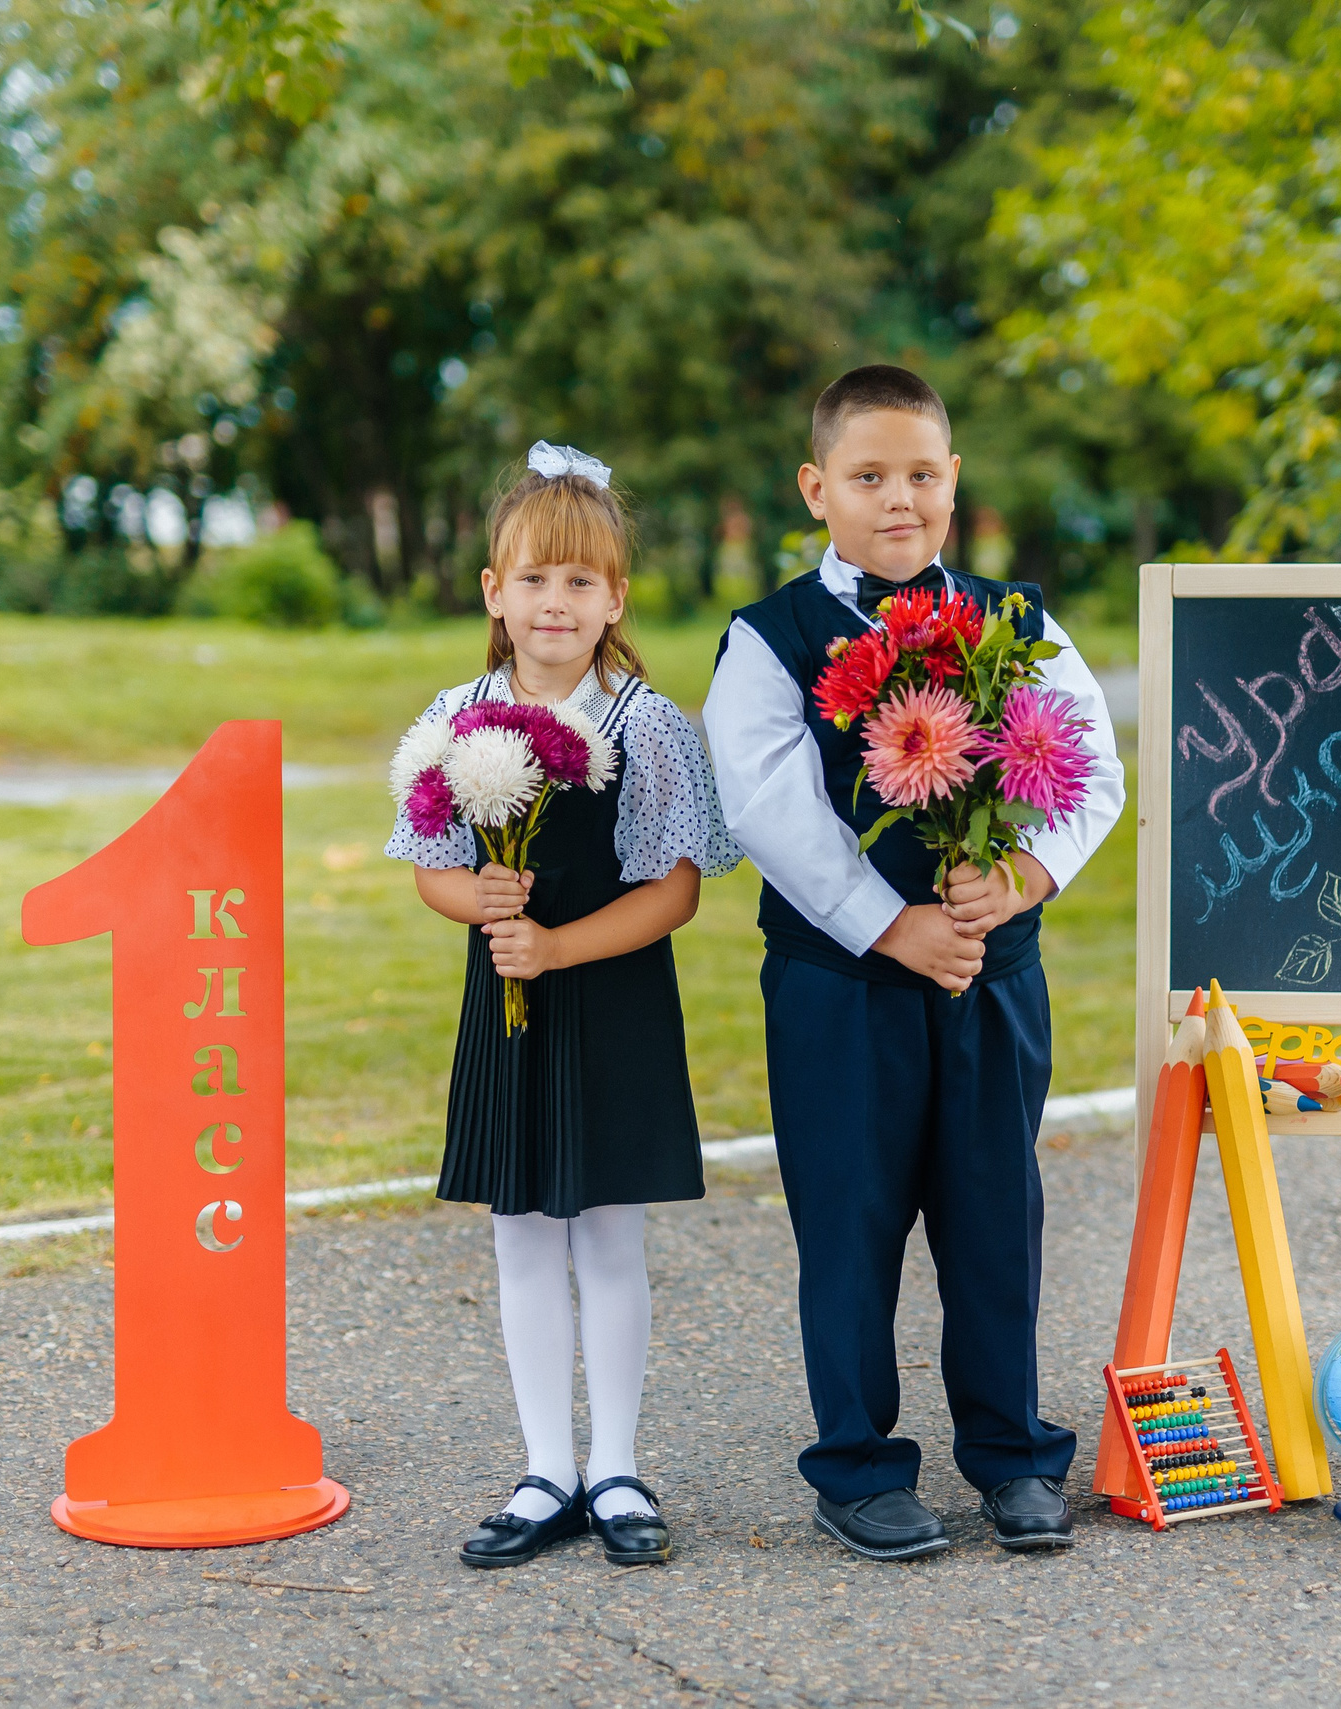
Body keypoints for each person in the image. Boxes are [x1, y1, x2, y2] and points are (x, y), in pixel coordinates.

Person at [702, 365, 1126, 1559]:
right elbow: (768, 805)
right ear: (816, 487)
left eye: (922, 475)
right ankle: (857, 1464)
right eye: (869, 476)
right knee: (851, 1224)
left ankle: (1010, 1453)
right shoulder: (772, 638)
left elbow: (1089, 764)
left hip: (992, 976)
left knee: (996, 1215)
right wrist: (894, 927)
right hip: (846, 991)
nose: (900, 498)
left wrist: (1022, 878)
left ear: (954, 482)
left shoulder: (1016, 623)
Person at [390, 442, 740, 1569]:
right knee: (523, 1239)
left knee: (610, 1241)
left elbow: (674, 890)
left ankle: (618, 1465)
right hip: (508, 1015)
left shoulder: (646, 724)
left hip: (614, 1003)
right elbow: (429, 862)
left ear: (615, 599)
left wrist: (555, 943)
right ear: (495, 591)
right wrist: (475, 901)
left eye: (581, 582)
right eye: (535, 578)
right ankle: (546, 1465)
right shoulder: (456, 716)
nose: (556, 601)